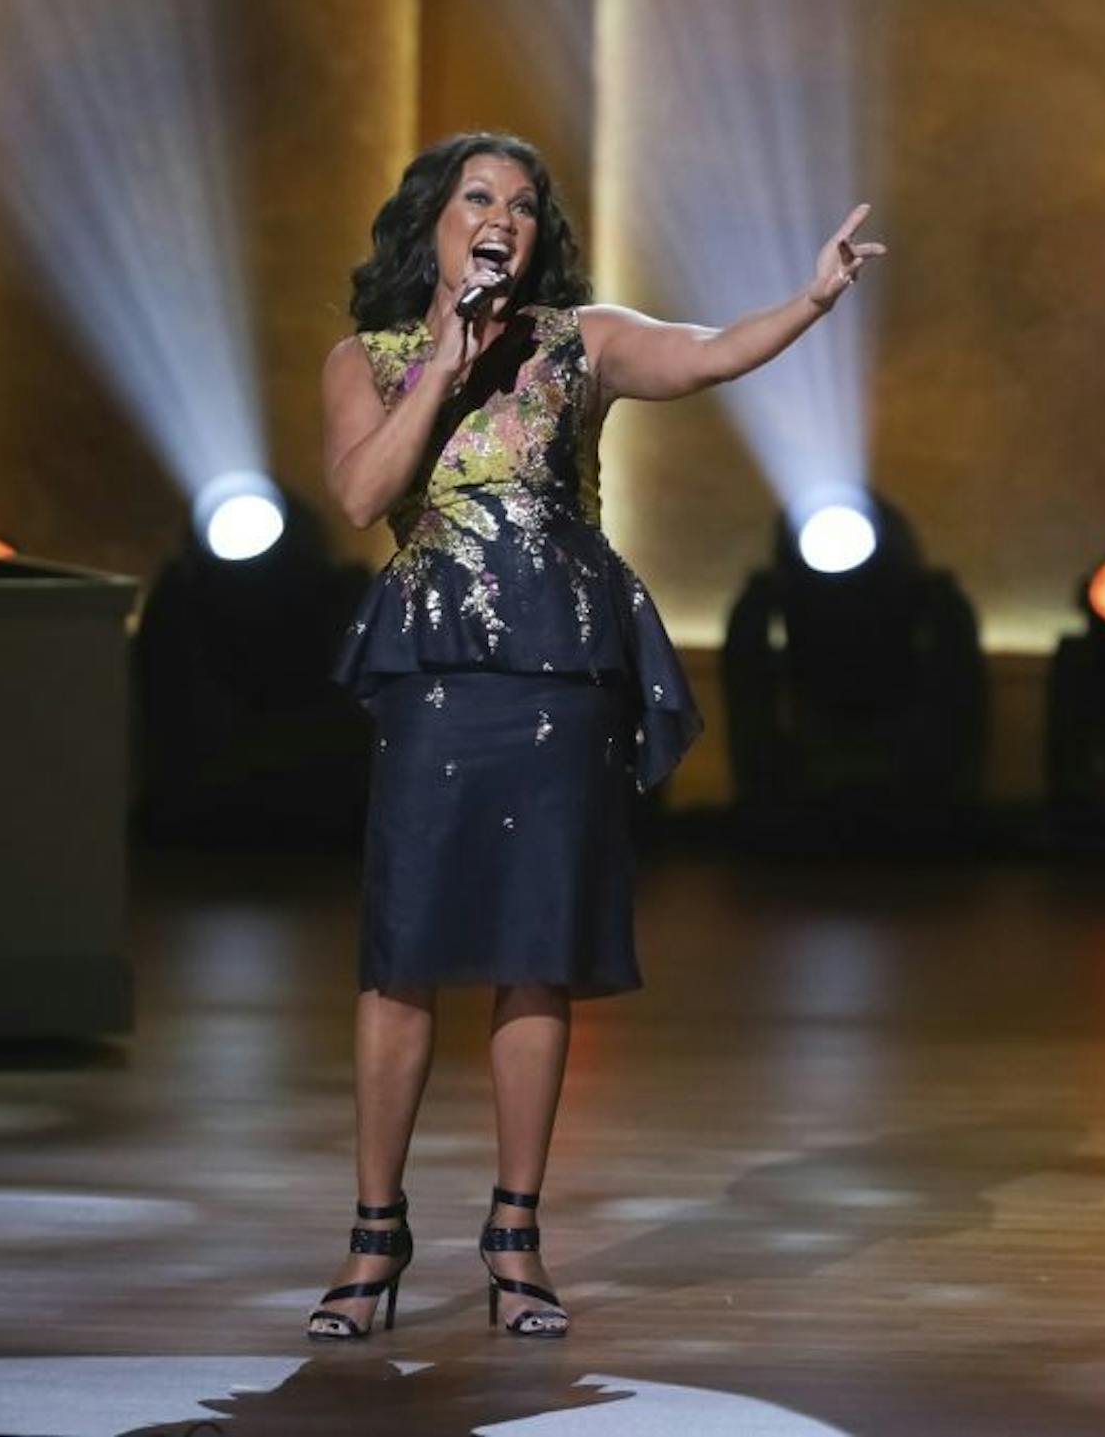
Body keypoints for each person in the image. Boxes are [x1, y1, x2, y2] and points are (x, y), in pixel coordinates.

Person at [307, 130, 884, 1341]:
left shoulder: (582, 340)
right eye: (478, 197)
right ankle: (375, 1236)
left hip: (563, 670)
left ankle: (515, 1235)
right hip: (438, 671)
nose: (501, 215)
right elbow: (363, 499)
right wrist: (447, 364)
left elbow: (711, 355)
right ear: (433, 223)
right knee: (401, 952)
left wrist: (813, 298)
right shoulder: (370, 359)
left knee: (535, 948)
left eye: (522, 202)